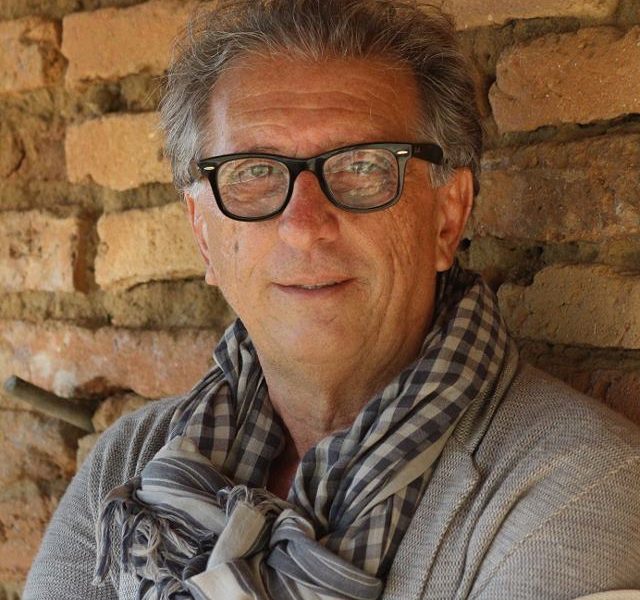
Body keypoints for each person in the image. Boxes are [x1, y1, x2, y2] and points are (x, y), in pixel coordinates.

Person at [24, 1, 640, 598]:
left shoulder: (578, 487)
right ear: (203, 235)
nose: (304, 225)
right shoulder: (128, 463)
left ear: (447, 217)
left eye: (363, 167)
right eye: (253, 171)